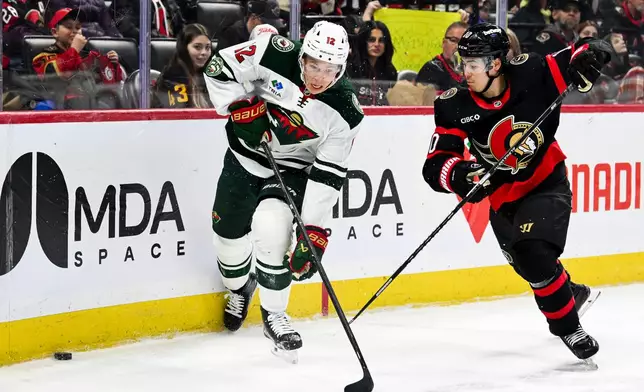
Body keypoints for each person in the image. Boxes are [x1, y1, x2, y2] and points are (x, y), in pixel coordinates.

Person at [421, 23, 610, 361]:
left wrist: (590, 55)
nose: (465, 72)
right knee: (530, 267)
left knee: (534, 254)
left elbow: (588, 47)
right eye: (463, 63)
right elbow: (435, 166)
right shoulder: (454, 106)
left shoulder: (534, 72)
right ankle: (572, 292)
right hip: (502, 199)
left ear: (496, 64)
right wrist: (460, 176)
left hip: (545, 182)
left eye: (474, 65)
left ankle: (569, 328)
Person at [203, 21, 362, 357]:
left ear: (342, 67)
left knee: (271, 226)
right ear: (302, 56)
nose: (319, 76)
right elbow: (219, 68)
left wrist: (314, 230)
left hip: (291, 172)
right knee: (227, 237)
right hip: (244, 159)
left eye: (330, 69)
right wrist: (238, 107)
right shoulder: (274, 52)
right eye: (313, 65)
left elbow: (328, 174)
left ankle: (275, 314)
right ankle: (239, 289)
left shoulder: (345, 112)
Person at [152, 23, 213, 109]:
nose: (204, 53)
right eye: (197, 47)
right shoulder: (172, 77)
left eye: (207, 47)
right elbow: (180, 117)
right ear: (184, 48)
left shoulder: (210, 74)